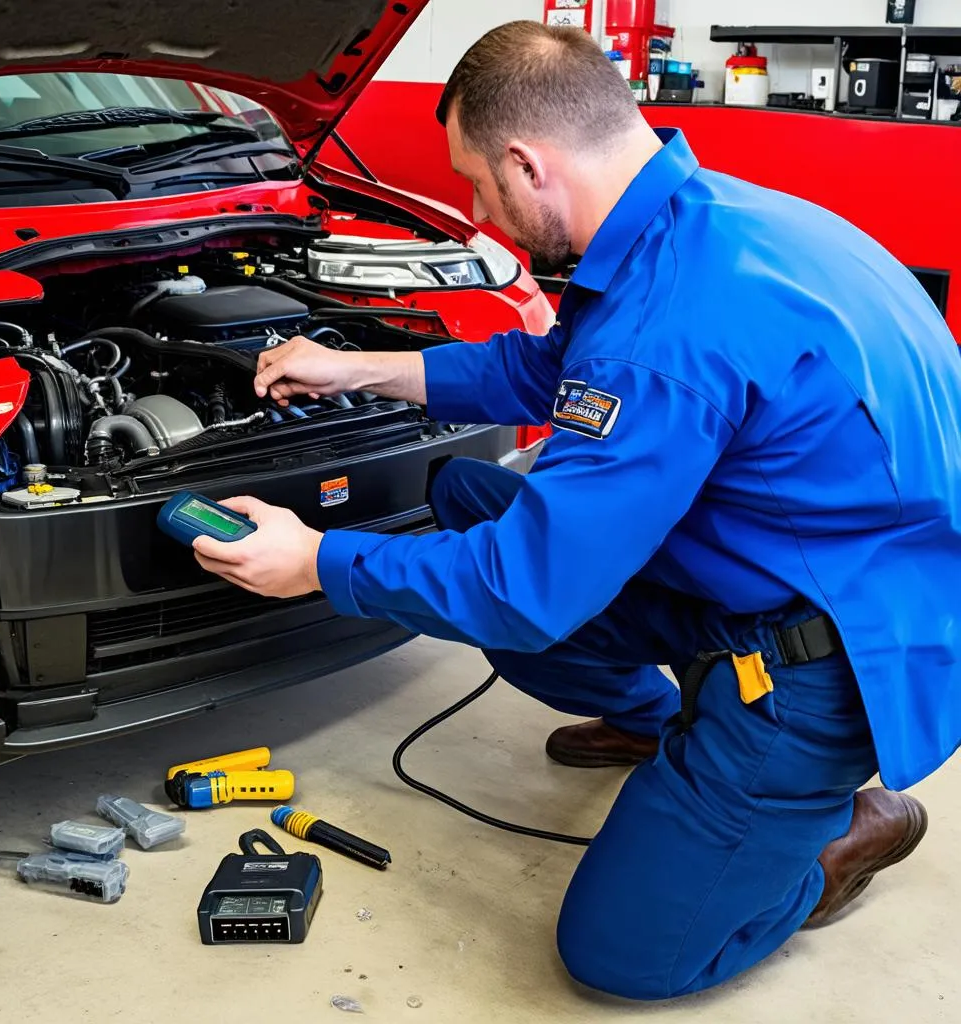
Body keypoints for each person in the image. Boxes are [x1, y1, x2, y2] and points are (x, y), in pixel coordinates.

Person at [191, 21, 961, 1001]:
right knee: (471, 501)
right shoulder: (697, 227)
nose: (479, 206)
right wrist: (356, 368)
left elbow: (525, 589)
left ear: (527, 161)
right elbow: (542, 368)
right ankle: (661, 723)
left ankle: (829, 840)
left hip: (825, 659)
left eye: (477, 182)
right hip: (800, 570)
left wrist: (317, 561)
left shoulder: (669, 325)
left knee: (621, 954)